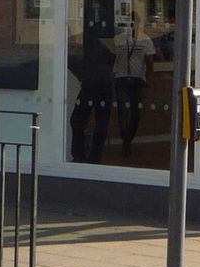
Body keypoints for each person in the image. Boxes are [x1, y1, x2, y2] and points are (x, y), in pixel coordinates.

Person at [109, 16, 156, 159]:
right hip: (121, 78)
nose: (132, 25)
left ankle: (128, 139)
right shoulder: (118, 40)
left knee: (135, 113)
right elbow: (112, 60)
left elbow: (150, 63)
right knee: (123, 112)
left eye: (135, 22)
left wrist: (149, 82)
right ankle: (126, 141)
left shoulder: (145, 40)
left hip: (138, 79)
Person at [67, 30, 114, 162]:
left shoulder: (80, 44)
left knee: (82, 120)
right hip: (98, 82)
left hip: (98, 82)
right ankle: (89, 155)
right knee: (94, 121)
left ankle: (83, 155)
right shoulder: (84, 42)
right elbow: (110, 57)